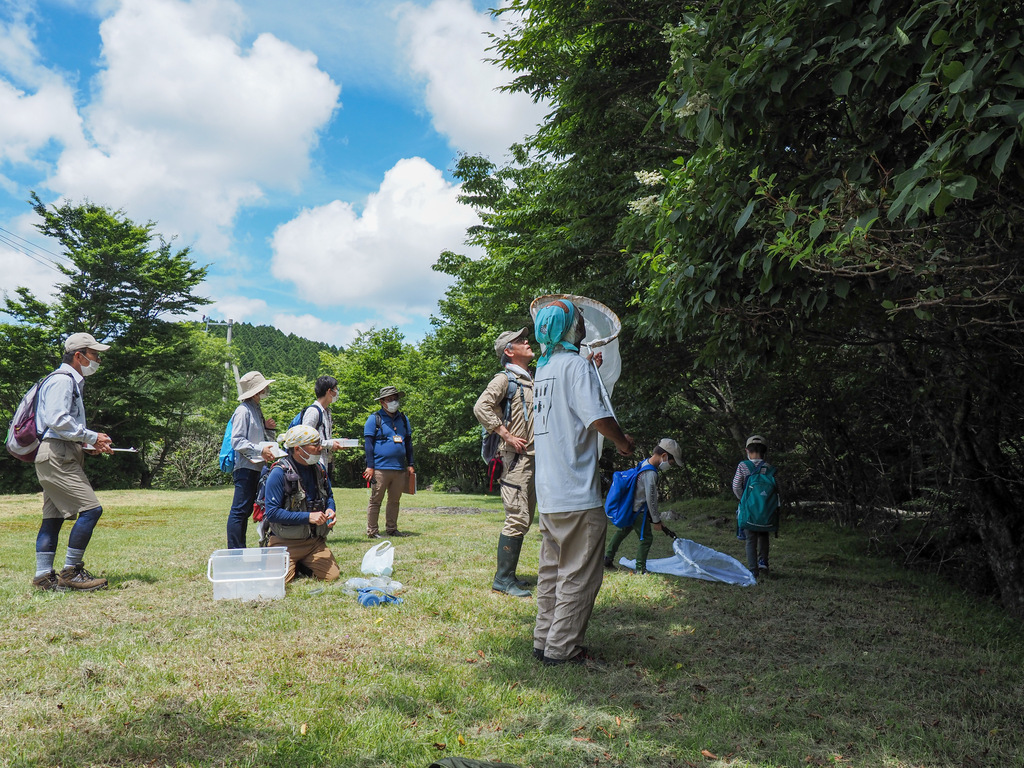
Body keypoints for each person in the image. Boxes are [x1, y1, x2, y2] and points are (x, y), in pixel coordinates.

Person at [531, 299, 635, 666]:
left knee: (552, 572)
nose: (583, 326)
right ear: (570, 329)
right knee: (579, 576)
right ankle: (563, 649)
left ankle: (544, 640)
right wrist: (623, 442)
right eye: (578, 321)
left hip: (550, 495)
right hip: (577, 492)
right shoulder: (575, 368)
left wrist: (586, 368)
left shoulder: (542, 371)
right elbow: (597, 419)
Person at [30, 332, 115, 591]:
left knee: (52, 518)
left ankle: (44, 576)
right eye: (94, 354)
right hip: (58, 454)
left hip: (57, 452)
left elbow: (58, 426)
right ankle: (71, 571)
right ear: (78, 356)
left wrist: (86, 445)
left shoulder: (69, 381)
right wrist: (91, 436)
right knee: (91, 509)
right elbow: (57, 419)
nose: (98, 360)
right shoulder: (63, 380)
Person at [473, 327, 536, 598]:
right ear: (509, 351)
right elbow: (481, 407)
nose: (527, 341)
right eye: (520, 340)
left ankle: (509, 575)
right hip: (516, 460)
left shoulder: (530, 378)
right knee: (517, 517)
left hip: (533, 459)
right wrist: (506, 435)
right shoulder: (504, 379)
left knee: (525, 518)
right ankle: (503, 579)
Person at [263, 425, 340, 583]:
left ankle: (303, 565)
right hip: (284, 543)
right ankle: (293, 564)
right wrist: (308, 517)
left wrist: (330, 509)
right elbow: (271, 513)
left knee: (333, 576)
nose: (320, 448)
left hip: (314, 541)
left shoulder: (320, 469)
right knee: (277, 582)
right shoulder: (279, 473)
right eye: (315, 445)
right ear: (297, 449)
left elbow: (329, 496)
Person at [604, 438, 683, 574]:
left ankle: (607, 558)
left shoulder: (644, 463)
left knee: (622, 532)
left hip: (630, 509)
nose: (671, 465)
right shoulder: (651, 473)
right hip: (638, 512)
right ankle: (640, 569)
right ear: (664, 456)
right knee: (646, 538)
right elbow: (651, 500)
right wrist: (656, 520)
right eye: (671, 462)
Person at [226, 371, 277, 549]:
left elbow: (260, 438)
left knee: (246, 510)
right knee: (239, 510)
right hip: (245, 467)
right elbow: (237, 441)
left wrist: (268, 429)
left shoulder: (256, 409)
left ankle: (240, 549)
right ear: (256, 391)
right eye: (263, 387)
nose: (266, 390)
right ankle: (234, 550)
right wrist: (260, 449)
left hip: (257, 467)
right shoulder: (243, 410)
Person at [362, 385, 414, 539]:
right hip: (379, 468)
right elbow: (368, 445)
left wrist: (410, 464)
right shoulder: (374, 419)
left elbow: (409, 443)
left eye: (395, 399)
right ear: (382, 402)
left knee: (395, 500)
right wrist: (370, 466)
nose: (394, 402)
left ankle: (392, 529)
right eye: (390, 399)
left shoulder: (404, 419)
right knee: (376, 500)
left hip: (399, 468)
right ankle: (372, 531)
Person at [732, 435, 774, 577]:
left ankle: (752, 569)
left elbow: (736, 486)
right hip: (765, 510)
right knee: (764, 535)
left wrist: (744, 500)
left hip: (749, 511)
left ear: (747, 450)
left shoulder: (743, 466)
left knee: (750, 540)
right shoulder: (768, 468)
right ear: (764, 451)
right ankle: (763, 564)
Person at [300, 375, 347, 475]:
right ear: (329, 391)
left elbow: (324, 438)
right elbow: (305, 439)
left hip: (324, 463)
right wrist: (330, 444)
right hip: (314, 463)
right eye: (336, 389)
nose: (337, 392)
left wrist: (336, 442)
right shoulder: (313, 411)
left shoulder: (327, 412)